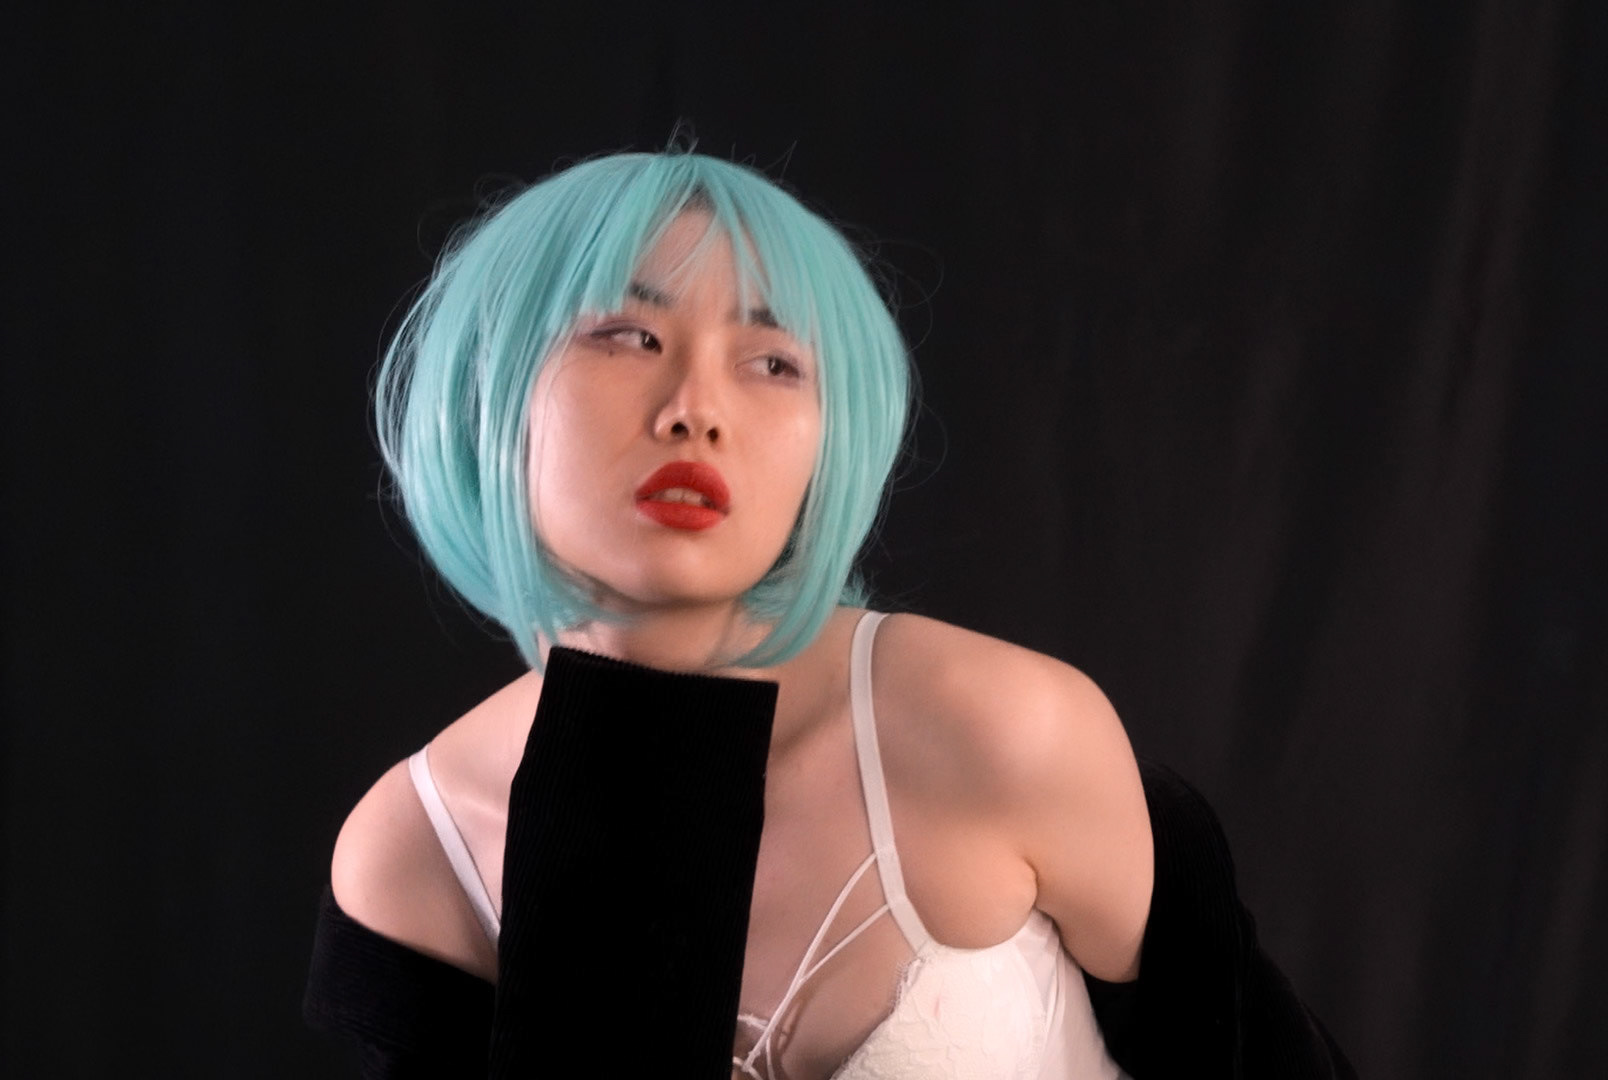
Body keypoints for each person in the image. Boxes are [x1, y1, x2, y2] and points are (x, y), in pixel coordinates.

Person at [302, 150, 1355, 1079]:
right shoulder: (417, 852)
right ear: (484, 388)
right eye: (628, 334)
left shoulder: (996, 727)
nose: (695, 410)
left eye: (773, 362)